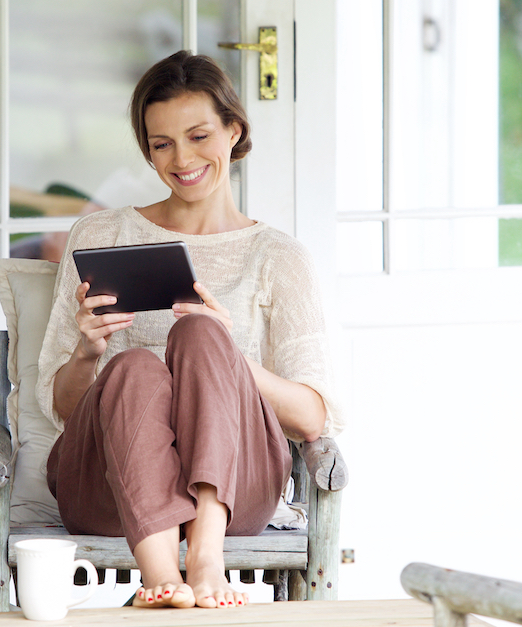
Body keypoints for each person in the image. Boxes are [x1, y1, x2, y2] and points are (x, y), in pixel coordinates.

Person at [37, 50, 343, 609]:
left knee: (202, 336)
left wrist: (234, 358)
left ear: (234, 131)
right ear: (148, 152)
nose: (183, 158)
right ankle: (160, 575)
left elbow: (311, 417)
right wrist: (86, 353)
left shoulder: (279, 257)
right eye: (162, 144)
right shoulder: (101, 234)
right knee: (133, 366)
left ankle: (206, 555)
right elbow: (61, 408)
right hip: (108, 488)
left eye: (199, 135)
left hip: (234, 497)